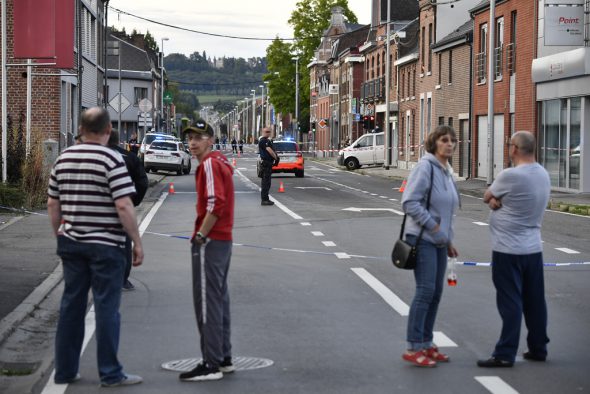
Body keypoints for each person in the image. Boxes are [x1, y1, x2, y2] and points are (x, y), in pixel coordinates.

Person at [47, 107, 144, 387]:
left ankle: (65, 370)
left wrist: (61, 236)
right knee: (106, 308)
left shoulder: (63, 158)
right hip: (106, 245)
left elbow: (53, 204)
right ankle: (110, 372)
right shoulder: (112, 159)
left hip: (72, 243)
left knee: (71, 306)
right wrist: (136, 242)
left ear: (80, 128)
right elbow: (124, 205)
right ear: (108, 130)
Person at [477, 131, 551, 368]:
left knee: (510, 302)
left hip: (508, 250)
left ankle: (505, 353)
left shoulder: (510, 175)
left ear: (515, 149)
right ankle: (538, 347)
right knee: (535, 300)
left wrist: (493, 200)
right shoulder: (542, 173)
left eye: (510, 144)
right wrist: (497, 200)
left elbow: (486, 196)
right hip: (533, 249)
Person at [179, 120, 235, 382]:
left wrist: (201, 234)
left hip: (211, 240)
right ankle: (223, 357)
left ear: (210, 140)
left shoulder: (210, 164)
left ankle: (210, 363)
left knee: (207, 302)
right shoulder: (219, 161)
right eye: (190, 137)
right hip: (223, 240)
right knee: (219, 298)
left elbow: (216, 202)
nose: (192, 142)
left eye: (199, 137)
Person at [401, 125, 460, 367]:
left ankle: (426, 342)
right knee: (425, 291)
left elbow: (445, 210)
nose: (450, 144)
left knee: (436, 293)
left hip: (439, 241)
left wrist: (447, 240)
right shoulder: (425, 168)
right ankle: (414, 345)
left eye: (453, 140)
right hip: (422, 238)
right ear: (434, 143)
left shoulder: (447, 171)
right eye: (444, 140)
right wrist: (434, 228)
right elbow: (409, 202)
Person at [108, 130, 149, 291]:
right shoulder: (129, 158)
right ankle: (123, 279)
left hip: (94, 212)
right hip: (122, 208)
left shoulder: (93, 156)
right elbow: (143, 182)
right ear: (118, 141)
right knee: (124, 242)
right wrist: (134, 201)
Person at [258, 127, 279, 206]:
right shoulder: (263, 141)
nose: (267, 133)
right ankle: (264, 200)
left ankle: (266, 198)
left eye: (269, 132)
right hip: (266, 164)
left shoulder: (267, 140)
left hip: (268, 163)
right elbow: (269, 150)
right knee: (266, 183)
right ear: (262, 132)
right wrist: (276, 157)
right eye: (266, 131)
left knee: (267, 182)